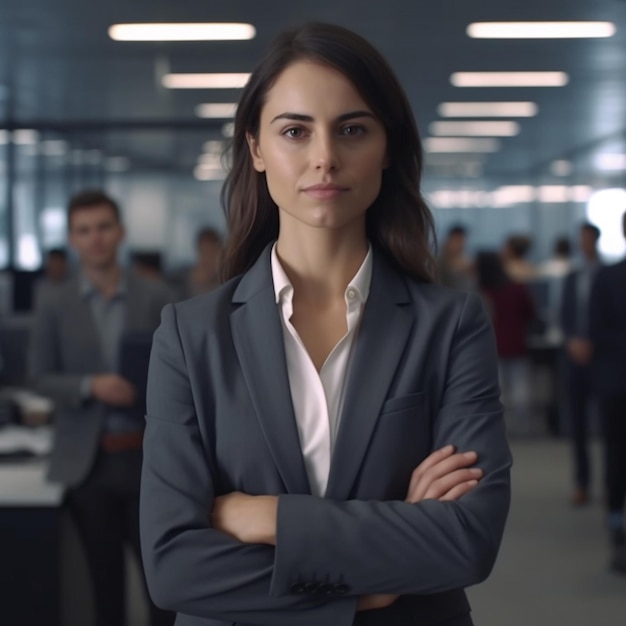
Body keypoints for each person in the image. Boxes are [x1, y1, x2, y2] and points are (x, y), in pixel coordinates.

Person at [140, 23, 512, 626]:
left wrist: (267, 518)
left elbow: (466, 540)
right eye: (294, 131)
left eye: (353, 129)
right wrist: (367, 587)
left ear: (387, 147)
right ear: (256, 149)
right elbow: (173, 565)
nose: (325, 158)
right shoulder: (190, 335)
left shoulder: (452, 325)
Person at [28, 190, 174, 626]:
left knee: (162, 587)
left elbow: (184, 370)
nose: (95, 239)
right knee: (103, 586)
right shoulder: (54, 301)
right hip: (90, 464)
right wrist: (90, 385)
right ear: (72, 238)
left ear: (121, 233)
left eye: (103, 228)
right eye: (84, 230)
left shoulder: (156, 294)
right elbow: (38, 376)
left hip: (149, 459)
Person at [589, 210, 626, 574]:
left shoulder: (607, 277)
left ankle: (617, 527)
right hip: (616, 381)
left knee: (616, 455)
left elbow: (594, 330)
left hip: (615, 380)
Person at [560, 223, 602, 506]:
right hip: (575, 358)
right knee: (578, 425)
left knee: (613, 426)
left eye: (587, 239)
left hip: (603, 358)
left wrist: (594, 343)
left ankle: (614, 485)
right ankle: (582, 483)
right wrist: (571, 342)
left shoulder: (609, 275)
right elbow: (564, 315)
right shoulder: (571, 277)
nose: (583, 243)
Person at [475, 251, 536, 437]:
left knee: (499, 391)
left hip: (492, 347)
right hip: (517, 343)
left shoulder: (481, 293)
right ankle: (523, 427)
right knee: (520, 389)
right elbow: (530, 313)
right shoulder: (516, 288)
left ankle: (504, 428)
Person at [168, 227, 224, 300]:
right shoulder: (179, 281)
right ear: (198, 250)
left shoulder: (223, 283)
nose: (209, 258)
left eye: (213, 253)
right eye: (205, 252)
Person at [437, 225, 474, 291]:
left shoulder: (467, 263)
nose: (460, 245)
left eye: (462, 241)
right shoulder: (439, 262)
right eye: (457, 240)